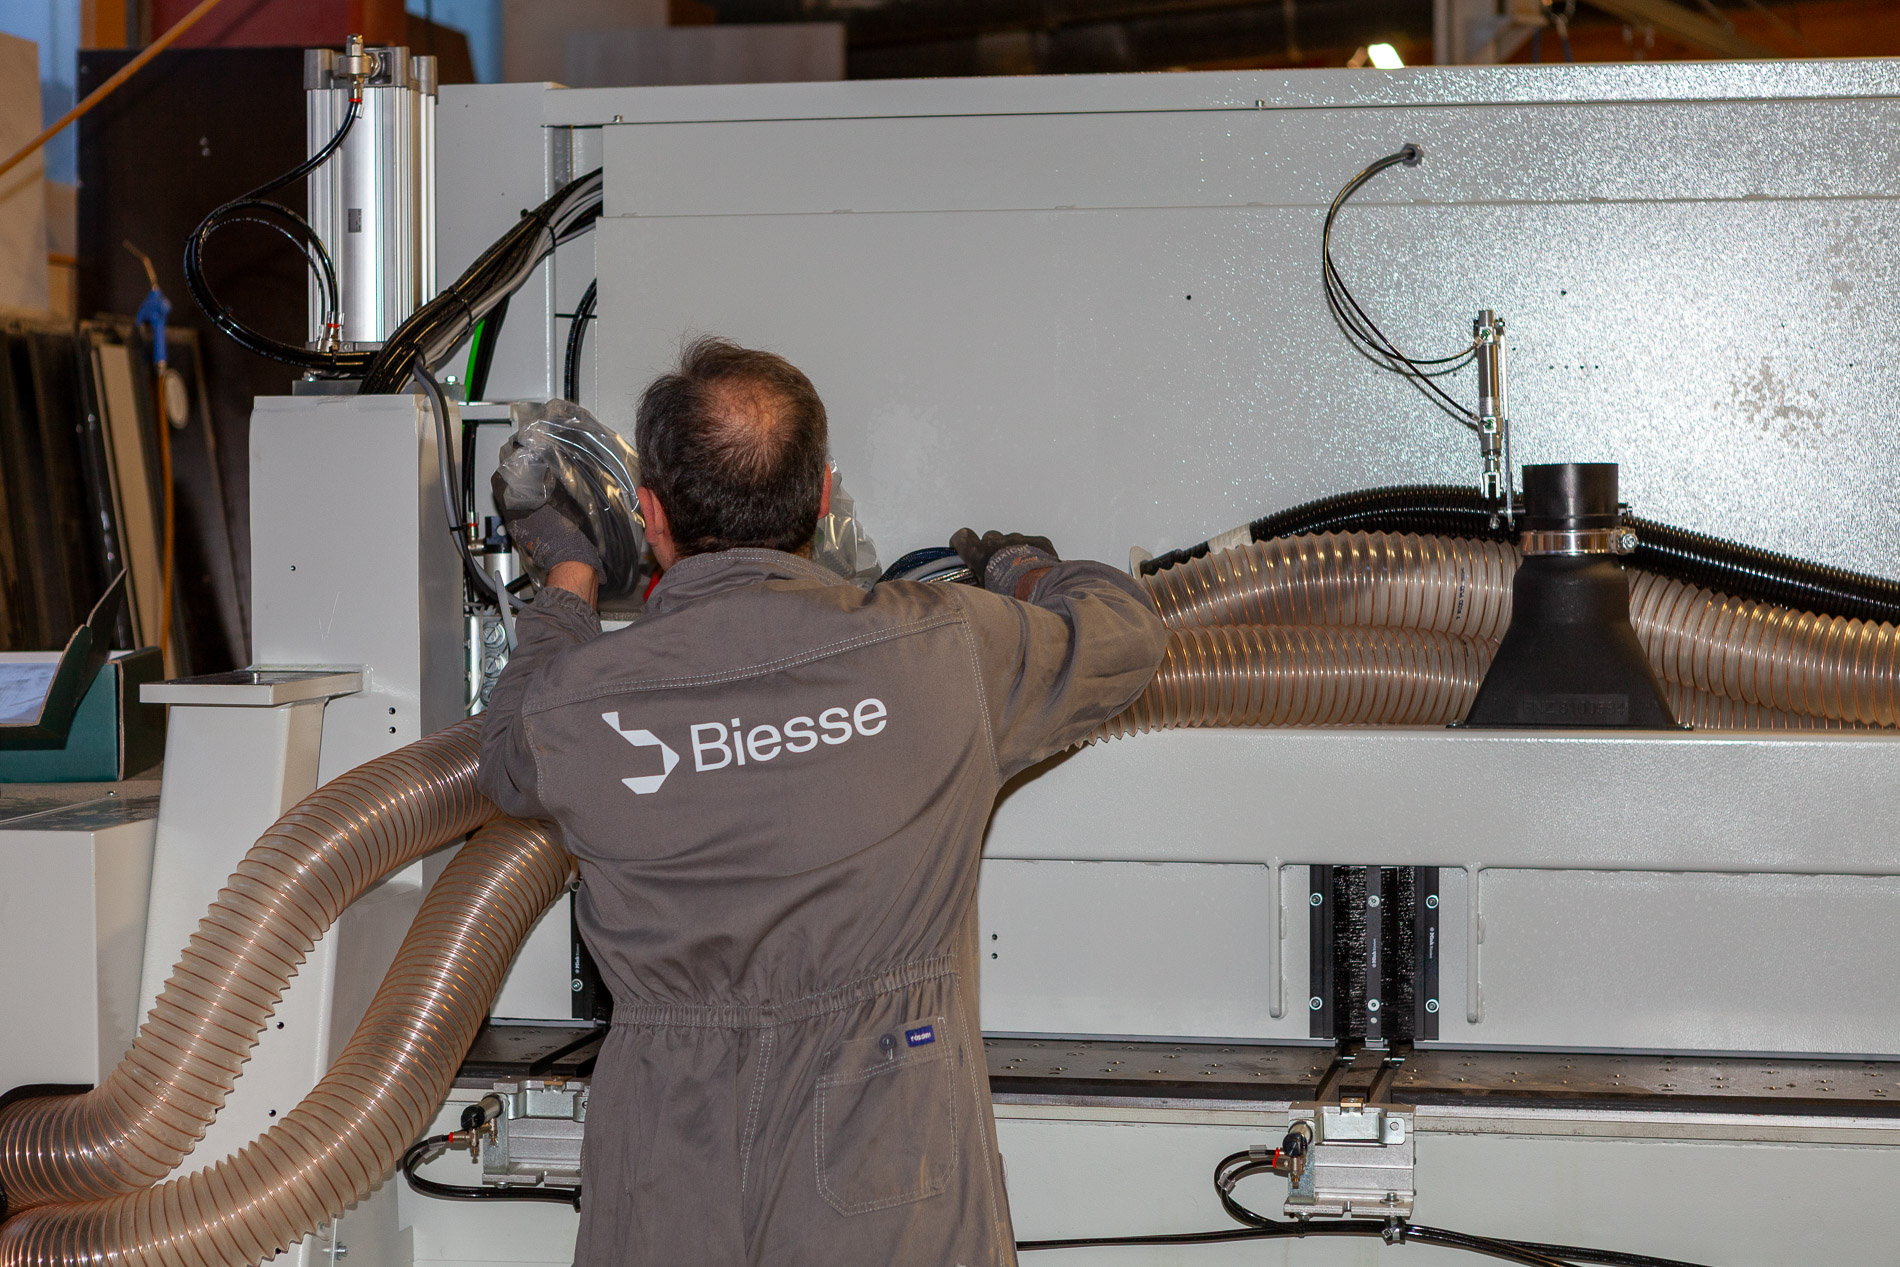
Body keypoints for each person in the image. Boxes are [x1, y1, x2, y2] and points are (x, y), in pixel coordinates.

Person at [479, 336, 1167, 1266]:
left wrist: (570, 577)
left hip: (670, 1161)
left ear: (652, 514)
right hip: (885, 1151)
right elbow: (1125, 635)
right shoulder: (946, 649)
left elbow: (504, 759)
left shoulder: (583, 701)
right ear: (821, 497)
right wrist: (1017, 568)